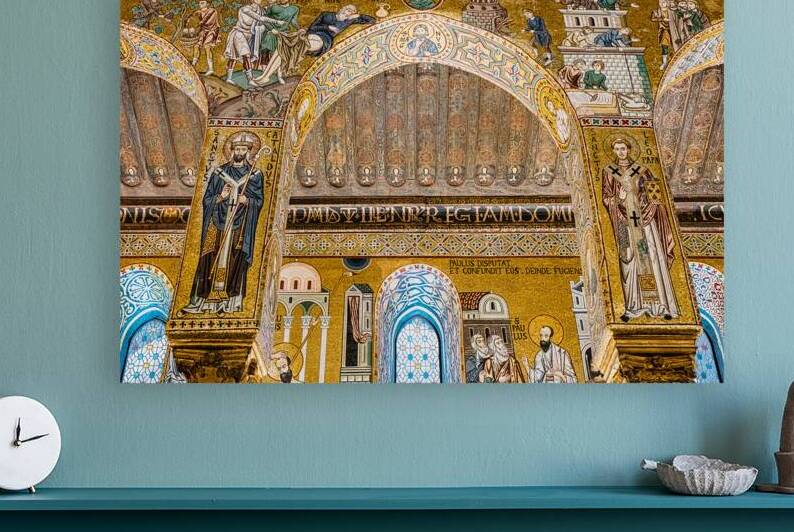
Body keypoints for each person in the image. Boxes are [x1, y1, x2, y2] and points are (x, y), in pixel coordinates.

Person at [183, 133, 264, 314]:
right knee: (208, 256)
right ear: (232, 150)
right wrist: (221, 197)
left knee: (236, 258)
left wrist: (247, 201)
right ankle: (201, 301)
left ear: (249, 152)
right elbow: (206, 200)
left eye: (244, 149)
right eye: (237, 149)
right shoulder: (219, 173)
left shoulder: (254, 175)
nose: (240, 152)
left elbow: (259, 201)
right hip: (217, 221)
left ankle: (231, 302)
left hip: (239, 224)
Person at [601, 138, 679, 320]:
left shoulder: (643, 170)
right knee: (628, 260)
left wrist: (644, 201)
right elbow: (607, 197)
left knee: (653, 257)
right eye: (617, 149)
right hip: (623, 221)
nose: (620, 152)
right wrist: (618, 198)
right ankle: (634, 306)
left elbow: (655, 195)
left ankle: (660, 306)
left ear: (629, 150)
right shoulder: (609, 172)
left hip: (646, 221)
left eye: (623, 148)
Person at [223, 0, 291, 85]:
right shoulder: (244, 9)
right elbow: (260, 18)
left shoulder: (260, 9)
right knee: (240, 56)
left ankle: (247, 78)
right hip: (239, 33)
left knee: (243, 57)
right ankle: (244, 79)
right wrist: (277, 22)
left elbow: (266, 16)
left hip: (250, 36)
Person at [306, 5, 376, 57]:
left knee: (313, 44)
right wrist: (328, 27)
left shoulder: (349, 21)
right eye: (348, 9)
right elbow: (312, 27)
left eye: (353, 12)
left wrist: (358, 15)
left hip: (325, 39)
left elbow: (372, 20)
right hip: (314, 33)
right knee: (305, 40)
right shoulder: (326, 15)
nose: (350, 12)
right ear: (342, 9)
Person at [191, 0, 220, 76]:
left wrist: (200, 21)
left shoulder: (212, 11)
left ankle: (211, 68)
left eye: (202, 3)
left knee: (207, 47)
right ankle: (193, 64)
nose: (200, 4)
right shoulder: (199, 12)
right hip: (203, 31)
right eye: (199, 3)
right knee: (196, 46)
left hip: (211, 31)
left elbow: (207, 21)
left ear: (207, 3)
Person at [651, 1, 673, 70]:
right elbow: (652, 18)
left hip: (673, 31)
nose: (662, 4)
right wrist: (662, 19)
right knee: (664, 46)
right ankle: (664, 62)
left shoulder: (672, 11)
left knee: (675, 45)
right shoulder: (657, 11)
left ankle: (673, 62)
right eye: (661, 2)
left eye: (664, 2)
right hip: (664, 30)